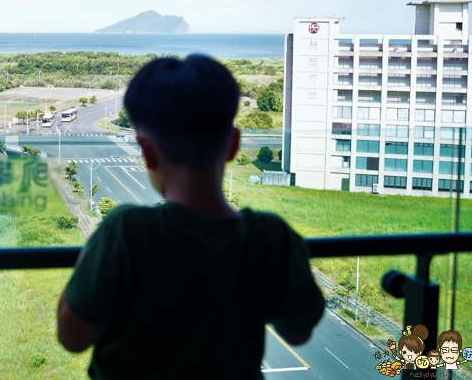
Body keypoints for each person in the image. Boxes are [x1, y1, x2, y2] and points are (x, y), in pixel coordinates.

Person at [56, 55, 325, 379]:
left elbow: (71, 337)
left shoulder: (126, 232)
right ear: (233, 146)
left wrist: (90, 257)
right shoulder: (269, 236)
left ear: (146, 150)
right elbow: (299, 331)